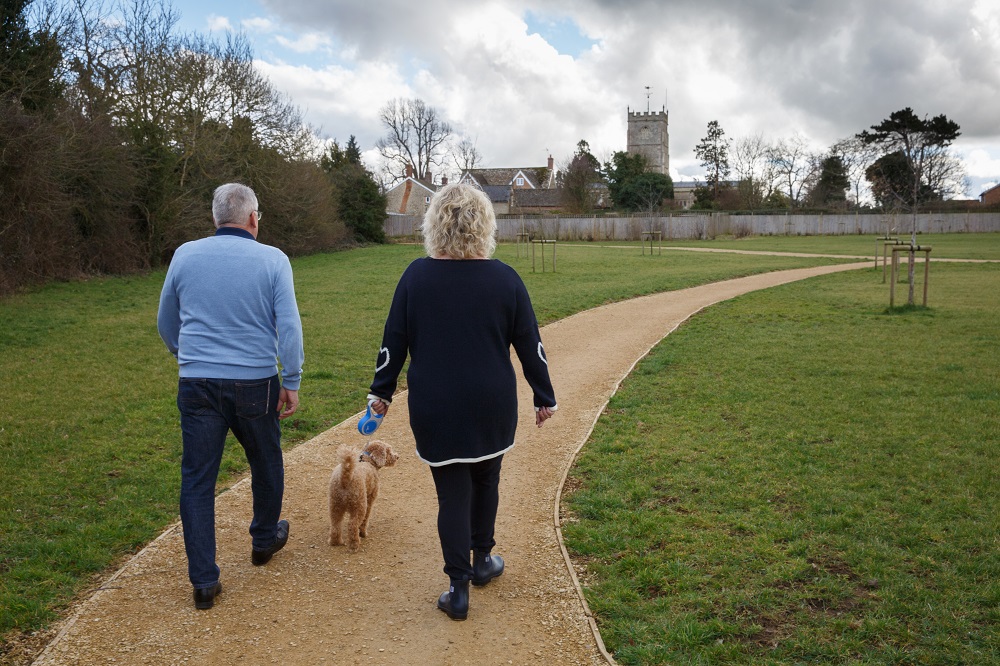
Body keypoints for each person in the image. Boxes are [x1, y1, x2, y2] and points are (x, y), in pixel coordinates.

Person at [367, 182, 557, 621]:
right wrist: (543, 395)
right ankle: (482, 562)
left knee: (452, 494)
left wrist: (381, 393)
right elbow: (532, 345)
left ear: (434, 224)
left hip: (436, 405)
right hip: (491, 403)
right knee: (486, 480)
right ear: (484, 225)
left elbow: (393, 341)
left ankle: (458, 590)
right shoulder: (506, 279)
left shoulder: (415, 277)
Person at [157, 183, 303, 610]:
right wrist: (290, 379)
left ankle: (204, 582)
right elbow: (289, 326)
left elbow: (167, 320)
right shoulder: (273, 259)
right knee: (265, 460)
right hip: (256, 382)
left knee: (198, 480)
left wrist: (185, 355)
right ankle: (262, 540)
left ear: (216, 218)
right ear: (253, 218)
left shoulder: (185, 254)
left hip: (197, 382)